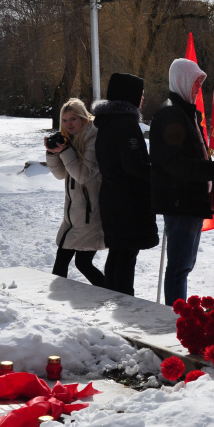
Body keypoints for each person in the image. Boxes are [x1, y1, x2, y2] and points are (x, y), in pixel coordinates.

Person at [150, 58, 214, 304]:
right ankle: (176, 315)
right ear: (181, 80)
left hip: (191, 201)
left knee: (184, 264)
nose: (198, 88)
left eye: (200, 83)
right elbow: (175, 163)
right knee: (180, 265)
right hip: (180, 202)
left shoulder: (187, 112)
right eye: (195, 82)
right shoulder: (170, 114)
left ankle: (178, 312)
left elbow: (194, 153)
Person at [93, 72, 159, 296]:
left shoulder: (107, 123)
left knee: (118, 253)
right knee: (126, 256)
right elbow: (134, 166)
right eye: (140, 94)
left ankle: (112, 296)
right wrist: (159, 173)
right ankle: (124, 303)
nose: (142, 98)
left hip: (112, 198)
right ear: (129, 95)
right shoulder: (125, 124)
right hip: (128, 202)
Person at [45, 98, 104, 287]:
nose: (68, 124)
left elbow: (83, 175)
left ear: (83, 119)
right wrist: (54, 153)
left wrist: (66, 150)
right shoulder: (70, 138)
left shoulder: (92, 138)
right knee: (77, 262)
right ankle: (112, 292)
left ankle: (113, 293)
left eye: (73, 119)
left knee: (77, 261)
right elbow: (61, 174)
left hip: (90, 214)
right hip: (74, 213)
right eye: (64, 120)